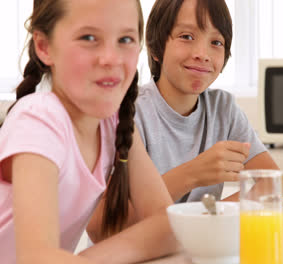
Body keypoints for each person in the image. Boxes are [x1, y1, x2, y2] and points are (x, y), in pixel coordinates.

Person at [0, 0, 177, 263]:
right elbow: (37, 258)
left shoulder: (113, 123)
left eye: (126, 39)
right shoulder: (38, 119)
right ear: (44, 47)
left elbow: (170, 227)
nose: (110, 58)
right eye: (89, 37)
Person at [136, 0, 283, 202]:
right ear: (155, 48)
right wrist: (192, 174)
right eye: (186, 36)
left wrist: (208, 216)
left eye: (216, 42)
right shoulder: (132, 112)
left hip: (204, 234)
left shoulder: (223, 110)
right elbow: (114, 222)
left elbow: (277, 187)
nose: (203, 55)